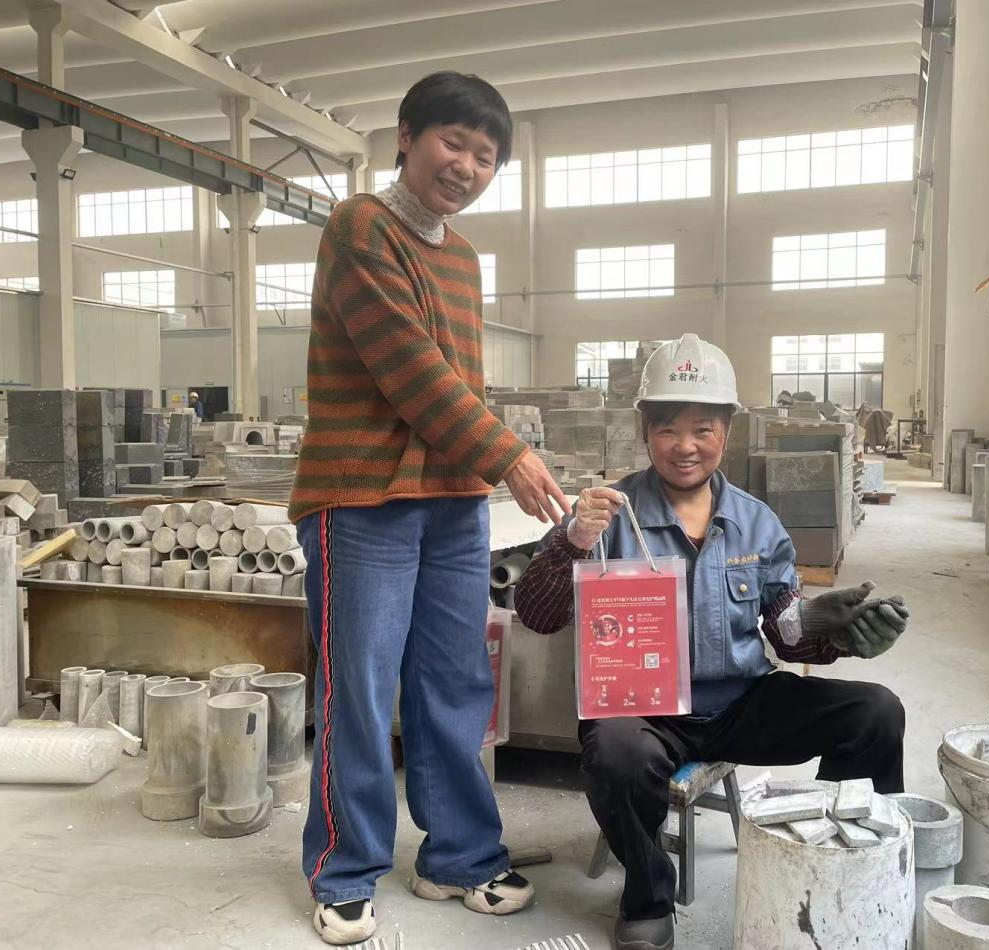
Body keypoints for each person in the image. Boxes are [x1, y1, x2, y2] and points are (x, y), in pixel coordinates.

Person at [288, 71, 570, 946]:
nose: (467, 167)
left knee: (456, 682)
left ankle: (459, 856)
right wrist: (507, 455)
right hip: (362, 498)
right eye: (454, 143)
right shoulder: (360, 227)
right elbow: (408, 367)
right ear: (406, 137)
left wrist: (483, 468)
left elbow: (462, 383)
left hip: (452, 502)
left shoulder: (465, 258)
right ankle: (345, 868)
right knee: (361, 690)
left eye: (486, 157)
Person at [514, 333, 909, 950]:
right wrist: (571, 544)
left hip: (738, 703)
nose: (685, 446)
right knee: (617, 753)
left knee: (876, 712)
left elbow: (782, 630)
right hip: (642, 712)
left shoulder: (757, 522)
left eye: (703, 429)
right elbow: (537, 616)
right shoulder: (604, 516)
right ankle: (647, 897)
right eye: (668, 429)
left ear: (726, 430)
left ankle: (843, 860)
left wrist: (830, 631)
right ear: (646, 432)